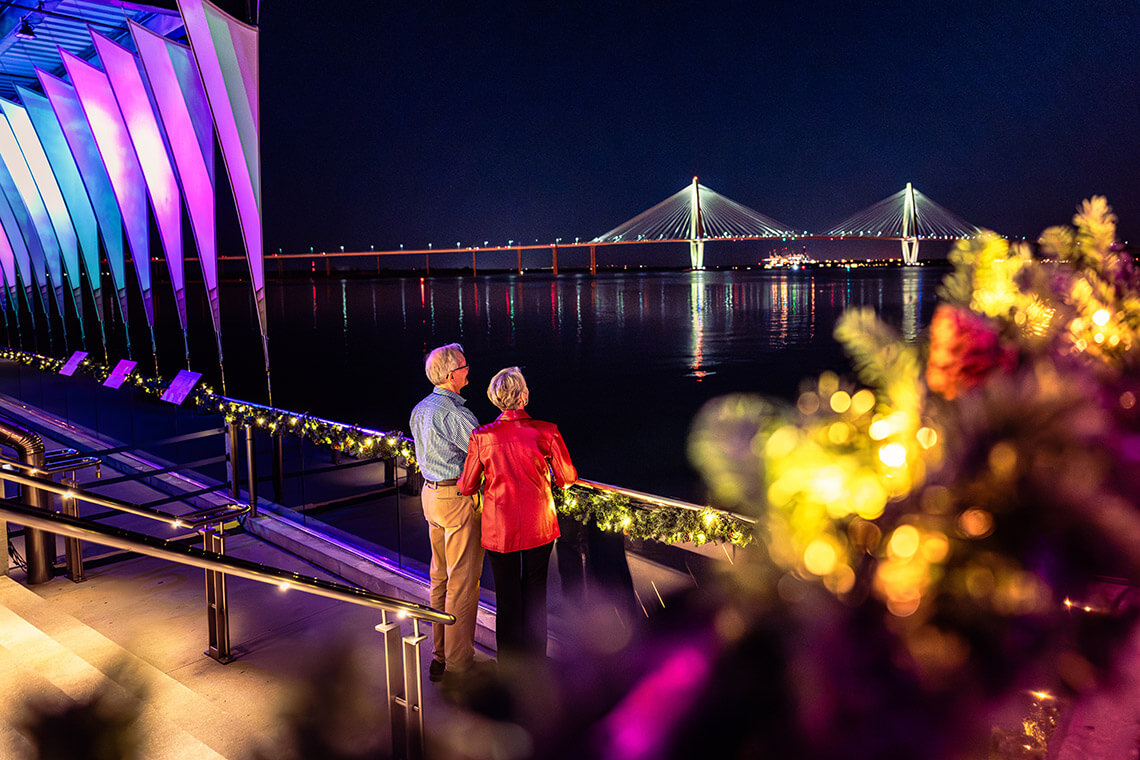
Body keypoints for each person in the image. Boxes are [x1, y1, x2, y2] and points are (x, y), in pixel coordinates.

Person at [458, 367, 577, 660]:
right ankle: (536, 666)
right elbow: (567, 477)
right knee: (536, 595)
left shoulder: (481, 436)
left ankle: (510, 669)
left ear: (496, 399)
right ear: (524, 395)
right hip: (539, 526)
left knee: (507, 599)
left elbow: (467, 485)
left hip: (499, 530)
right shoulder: (546, 431)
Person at [409, 343, 483, 684]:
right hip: (456, 497)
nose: (469, 370)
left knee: (439, 578)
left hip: (430, 495)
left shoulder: (421, 409)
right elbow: (483, 452)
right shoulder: (454, 413)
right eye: (465, 366)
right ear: (452, 374)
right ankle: (459, 663)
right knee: (463, 582)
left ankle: (440, 655)